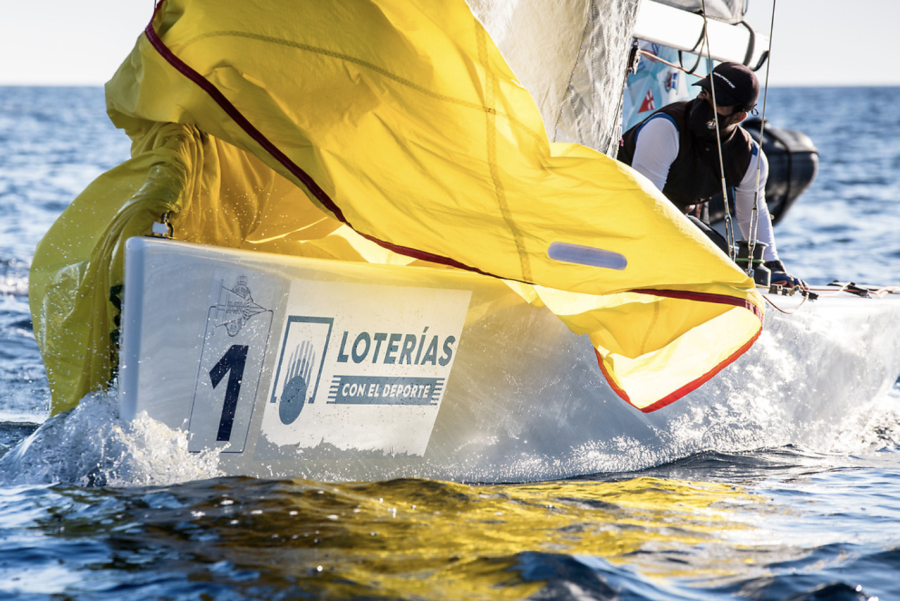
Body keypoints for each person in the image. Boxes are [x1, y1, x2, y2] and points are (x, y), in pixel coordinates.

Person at [618, 61, 805, 288]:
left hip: (667, 221)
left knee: (721, 255)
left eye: (717, 101)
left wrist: (772, 265)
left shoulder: (750, 157)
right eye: (704, 93)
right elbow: (644, 207)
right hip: (620, 212)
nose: (704, 102)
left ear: (739, 116)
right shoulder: (665, 128)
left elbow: (752, 214)